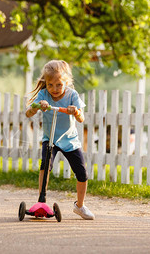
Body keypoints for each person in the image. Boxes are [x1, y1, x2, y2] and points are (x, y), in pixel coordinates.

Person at [25, 60, 95, 220]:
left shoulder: (72, 95)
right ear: (45, 83)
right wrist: (37, 106)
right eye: (50, 85)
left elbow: (81, 119)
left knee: (82, 173)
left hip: (70, 140)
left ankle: (80, 205)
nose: (54, 89)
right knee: (45, 166)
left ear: (66, 82)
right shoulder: (43, 95)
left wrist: (75, 111)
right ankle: (41, 201)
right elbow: (28, 113)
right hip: (50, 139)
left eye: (58, 85)